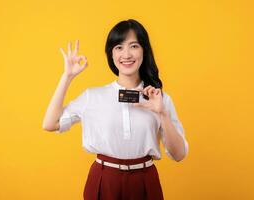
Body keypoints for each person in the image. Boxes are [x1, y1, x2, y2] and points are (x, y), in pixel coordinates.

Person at [42, 19, 189, 200]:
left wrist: (162, 113)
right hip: (104, 179)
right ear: (111, 54)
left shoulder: (159, 99)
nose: (126, 54)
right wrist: (67, 76)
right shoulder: (92, 96)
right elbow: (50, 124)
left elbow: (179, 154)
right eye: (119, 47)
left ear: (144, 51)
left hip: (145, 180)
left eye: (133, 46)